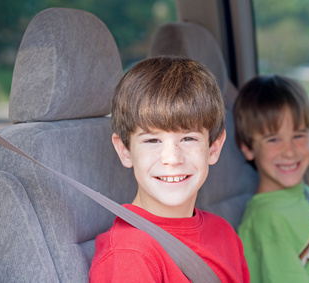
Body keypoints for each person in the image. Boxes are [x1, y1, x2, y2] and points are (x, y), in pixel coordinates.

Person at [89, 56, 250, 282]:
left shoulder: (224, 233)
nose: (172, 158)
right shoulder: (130, 255)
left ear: (213, 148)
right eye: (152, 141)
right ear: (125, 150)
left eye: (188, 138)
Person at [234, 74, 309, 283]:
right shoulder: (266, 220)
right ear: (247, 147)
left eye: (298, 135)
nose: (289, 152)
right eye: (273, 140)